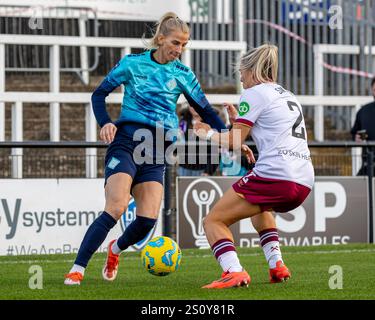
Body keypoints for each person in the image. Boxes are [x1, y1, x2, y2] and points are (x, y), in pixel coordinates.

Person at [64, 12, 227, 285]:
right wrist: (105, 122)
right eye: (175, 43)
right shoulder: (132, 64)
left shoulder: (184, 74)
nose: (179, 50)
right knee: (115, 208)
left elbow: (206, 111)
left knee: (146, 221)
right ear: (160, 39)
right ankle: (77, 268)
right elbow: (99, 94)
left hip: (157, 150)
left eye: (184, 45)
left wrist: (231, 135)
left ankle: (114, 249)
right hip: (127, 142)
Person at [193, 44, 315, 288]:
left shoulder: (254, 93)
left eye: (241, 71)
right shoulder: (288, 95)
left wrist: (205, 133)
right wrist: (236, 121)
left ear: (251, 70)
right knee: (261, 208)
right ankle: (277, 265)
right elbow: (261, 131)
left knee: (213, 221)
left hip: (276, 175)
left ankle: (233, 270)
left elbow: (234, 141)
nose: (240, 77)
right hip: (304, 180)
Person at [177, 106, 219, 176]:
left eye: (196, 105)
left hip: (203, 169)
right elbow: (178, 145)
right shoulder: (183, 122)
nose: (195, 108)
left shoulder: (211, 123)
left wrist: (208, 171)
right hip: (184, 168)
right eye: (192, 105)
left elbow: (216, 150)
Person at [350, 77, 375, 176]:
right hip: (368, 165)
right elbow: (354, 133)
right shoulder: (363, 111)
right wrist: (356, 138)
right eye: (374, 90)